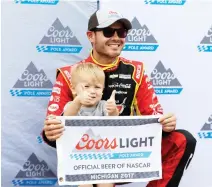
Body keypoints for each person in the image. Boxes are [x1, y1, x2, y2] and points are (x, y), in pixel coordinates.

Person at [43, 8, 196, 187]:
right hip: (85, 155)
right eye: (108, 31)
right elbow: (52, 128)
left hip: (124, 154)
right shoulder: (69, 74)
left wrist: (165, 124)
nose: (116, 37)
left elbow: (155, 118)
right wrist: (51, 131)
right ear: (91, 36)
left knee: (183, 140)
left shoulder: (136, 71)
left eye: (121, 32)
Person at [64, 62, 117, 187]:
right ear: (73, 89)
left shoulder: (104, 105)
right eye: (86, 87)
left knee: (107, 184)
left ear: (103, 90)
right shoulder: (71, 106)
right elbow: (67, 118)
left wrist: (113, 110)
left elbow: (115, 123)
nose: (92, 91)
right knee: (84, 184)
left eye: (97, 87)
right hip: (79, 158)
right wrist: (77, 101)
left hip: (103, 158)